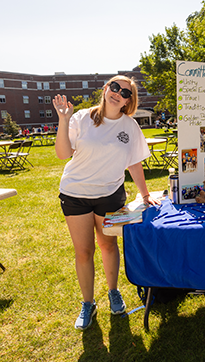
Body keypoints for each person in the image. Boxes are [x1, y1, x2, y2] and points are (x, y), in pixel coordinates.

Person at [53, 75, 160, 330]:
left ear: (128, 102)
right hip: (75, 194)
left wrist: (145, 195)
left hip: (111, 195)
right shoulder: (81, 118)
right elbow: (62, 154)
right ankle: (87, 304)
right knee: (84, 251)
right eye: (114, 87)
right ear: (105, 89)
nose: (118, 93)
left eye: (125, 93)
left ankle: (113, 292)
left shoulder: (130, 126)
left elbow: (134, 161)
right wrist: (63, 119)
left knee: (108, 246)